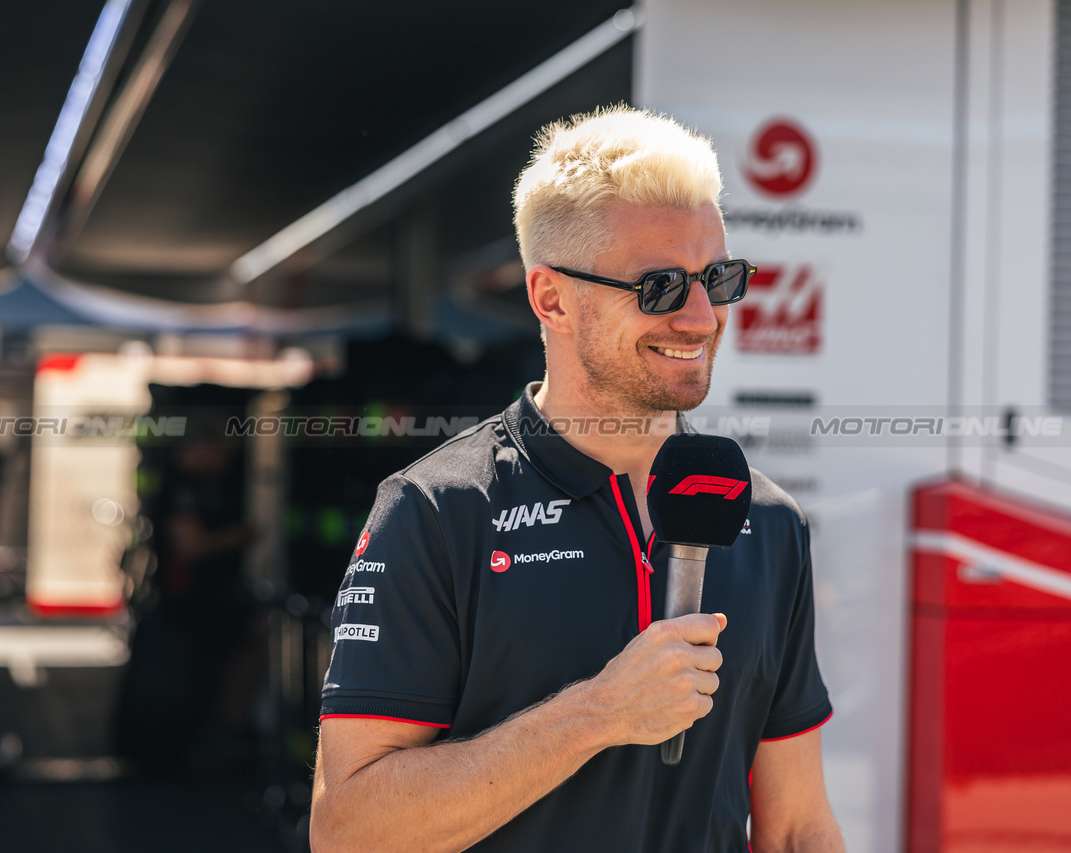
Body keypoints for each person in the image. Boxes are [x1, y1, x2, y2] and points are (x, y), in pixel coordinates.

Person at [310, 106, 844, 853]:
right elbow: (350, 832)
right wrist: (597, 712)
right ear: (551, 298)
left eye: (718, 278)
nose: (701, 316)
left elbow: (796, 828)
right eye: (659, 286)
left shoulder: (767, 520)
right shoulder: (437, 512)